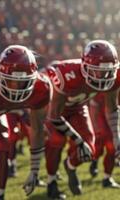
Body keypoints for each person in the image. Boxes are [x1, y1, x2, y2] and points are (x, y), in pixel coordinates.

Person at [45, 40, 120, 199]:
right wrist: (78, 141)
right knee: (57, 141)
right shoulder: (66, 74)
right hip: (53, 110)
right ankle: (52, 183)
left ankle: (70, 166)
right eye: (97, 71)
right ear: (84, 66)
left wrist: (117, 138)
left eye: (108, 71)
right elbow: (55, 117)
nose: (103, 76)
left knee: (90, 149)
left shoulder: (114, 76)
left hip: (78, 108)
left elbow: (112, 108)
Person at [0, 45, 50, 199]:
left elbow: (37, 131)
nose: (16, 88)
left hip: (2, 111)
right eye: (11, 82)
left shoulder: (41, 87)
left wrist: (34, 171)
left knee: (7, 142)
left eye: (22, 82)